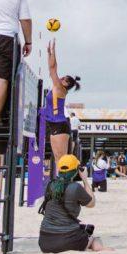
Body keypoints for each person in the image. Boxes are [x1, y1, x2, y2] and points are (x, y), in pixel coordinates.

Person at [38, 154, 109, 253]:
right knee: (93, 237)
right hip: (67, 240)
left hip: (45, 242)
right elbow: (91, 203)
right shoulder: (75, 187)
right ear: (76, 170)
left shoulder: (50, 185)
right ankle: (100, 249)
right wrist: (85, 180)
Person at [44, 39, 82, 174]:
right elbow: (51, 69)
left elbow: (53, 68)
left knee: (62, 161)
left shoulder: (60, 88)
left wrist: (53, 51)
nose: (60, 78)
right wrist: (49, 54)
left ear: (66, 84)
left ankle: (66, 188)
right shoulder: (57, 87)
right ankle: (61, 189)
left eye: (64, 79)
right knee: (58, 160)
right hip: (55, 124)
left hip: (59, 124)